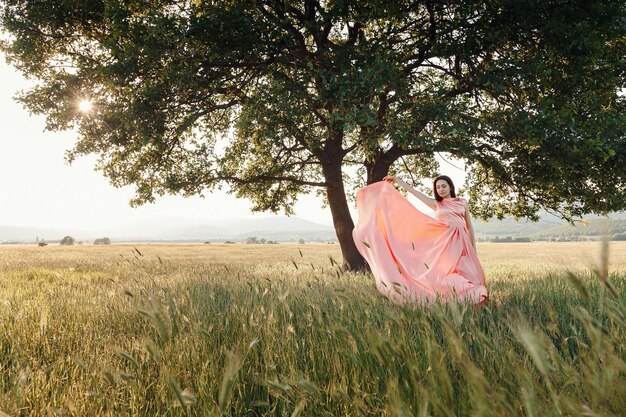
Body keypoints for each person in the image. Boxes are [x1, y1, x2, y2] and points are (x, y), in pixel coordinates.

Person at [352, 175, 488, 305]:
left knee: (469, 271)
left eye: (443, 186)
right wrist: (398, 181)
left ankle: (474, 297)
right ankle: (455, 298)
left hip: (463, 241)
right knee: (450, 273)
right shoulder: (437, 204)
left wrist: (472, 247)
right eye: (438, 187)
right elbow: (413, 192)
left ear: (450, 187)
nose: (441, 189)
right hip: (446, 243)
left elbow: (469, 226)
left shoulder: (462, 202)